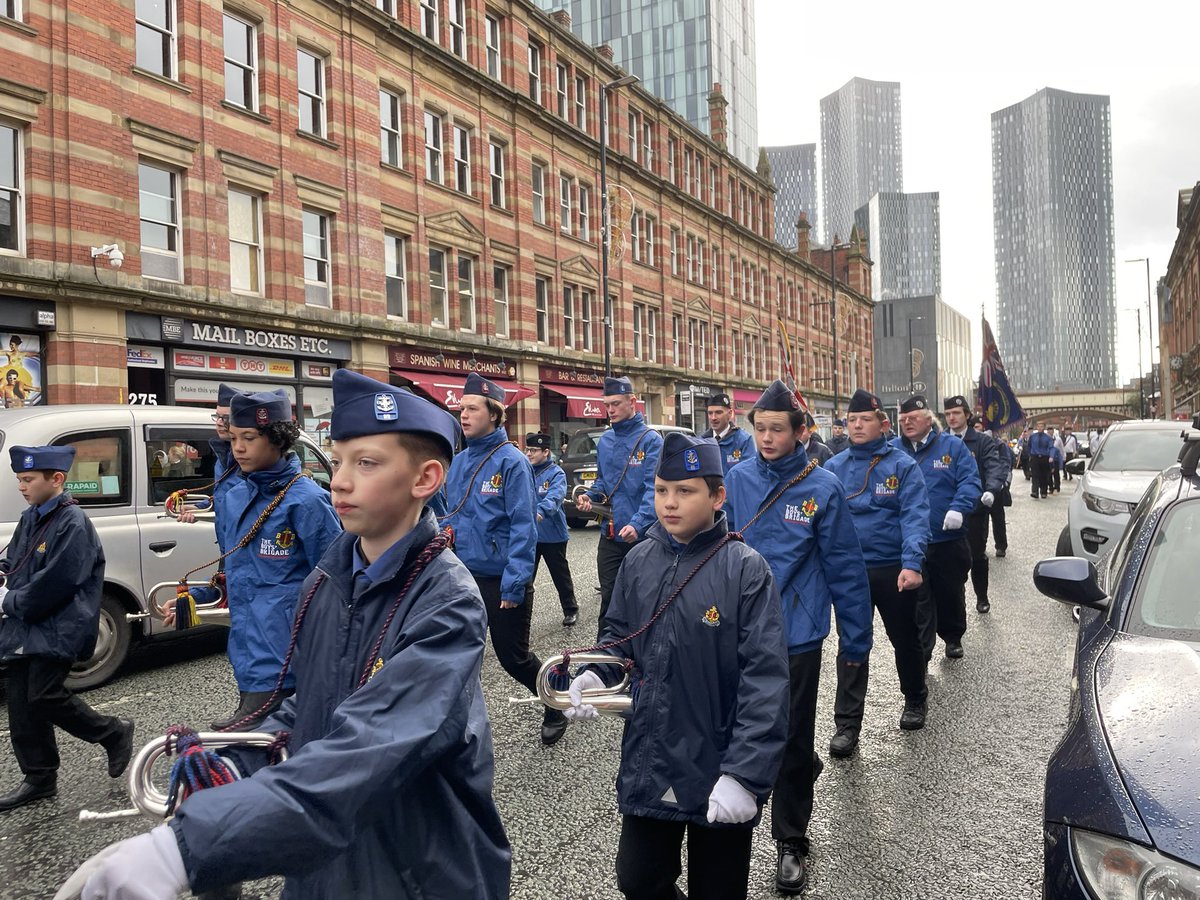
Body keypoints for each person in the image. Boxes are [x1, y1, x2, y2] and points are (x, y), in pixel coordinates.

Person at [62, 369, 511, 899]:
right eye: (338, 459)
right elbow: (310, 702)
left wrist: (185, 848)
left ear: (425, 480)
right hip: (325, 864)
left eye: (366, 463)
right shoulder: (328, 577)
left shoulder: (446, 600)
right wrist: (235, 755)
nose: (339, 480)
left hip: (417, 865)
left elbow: (371, 745)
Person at [567, 432, 789, 900]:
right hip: (652, 756)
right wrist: (595, 673)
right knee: (639, 879)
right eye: (661, 490)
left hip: (719, 764)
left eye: (685, 491)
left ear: (717, 496)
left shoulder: (746, 570)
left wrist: (745, 776)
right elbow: (618, 637)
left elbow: (764, 681)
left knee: (719, 891)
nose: (670, 503)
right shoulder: (639, 560)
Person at [724, 380, 872, 895]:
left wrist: (857, 642)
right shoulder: (735, 478)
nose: (766, 437)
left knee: (789, 738)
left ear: (800, 431)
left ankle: (791, 841)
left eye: (776, 429)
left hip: (798, 633)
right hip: (738, 629)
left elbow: (846, 570)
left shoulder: (823, 487)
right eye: (759, 428)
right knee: (734, 729)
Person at [172, 390, 342, 728]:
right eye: (234, 437)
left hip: (289, 656)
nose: (238, 447)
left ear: (277, 439)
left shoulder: (307, 501)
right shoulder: (234, 496)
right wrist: (197, 596)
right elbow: (237, 569)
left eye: (249, 437)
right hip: (248, 650)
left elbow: (336, 583)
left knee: (267, 746)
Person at [0, 445, 135, 811]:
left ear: (56, 479)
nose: (22, 486)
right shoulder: (32, 517)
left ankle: (112, 731)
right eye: (19, 480)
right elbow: (14, 561)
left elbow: (57, 582)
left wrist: (7, 601)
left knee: (44, 695)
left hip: (57, 626)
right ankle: (39, 777)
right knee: (21, 705)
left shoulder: (73, 522)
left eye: (28, 480)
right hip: (26, 627)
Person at [441, 373, 568, 745]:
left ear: (494, 414)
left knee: (513, 659)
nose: (462, 415)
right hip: (463, 577)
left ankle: (555, 697)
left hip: (502, 580)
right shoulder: (460, 461)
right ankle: (456, 728)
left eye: (471, 409)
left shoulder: (512, 462)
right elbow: (452, 515)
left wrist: (514, 583)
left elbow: (523, 527)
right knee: (460, 656)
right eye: (461, 408)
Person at [825, 390, 931, 749]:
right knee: (851, 643)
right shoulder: (833, 469)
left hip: (892, 569)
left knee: (904, 638)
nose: (856, 425)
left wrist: (912, 563)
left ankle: (916, 698)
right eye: (851, 420)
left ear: (882, 424)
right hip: (850, 572)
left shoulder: (902, 466)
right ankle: (847, 725)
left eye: (864, 419)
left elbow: (915, 516)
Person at [894, 396, 981, 660]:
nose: (907, 423)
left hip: (947, 538)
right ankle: (924, 651)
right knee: (919, 598)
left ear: (928, 419)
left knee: (949, 592)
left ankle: (953, 635)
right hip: (912, 541)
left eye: (913, 418)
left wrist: (959, 507)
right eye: (903, 420)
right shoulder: (894, 450)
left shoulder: (951, 447)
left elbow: (970, 479)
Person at [575, 376, 663, 635]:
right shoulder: (605, 441)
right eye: (607, 405)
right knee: (609, 599)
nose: (610, 410)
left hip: (643, 537)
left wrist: (638, 524)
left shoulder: (651, 440)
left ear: (632, 402)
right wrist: (590, 498)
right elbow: (603, 483)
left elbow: (654, 490)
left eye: (615, 404)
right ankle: (605, 657)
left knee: (644, 601)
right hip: (611, 535)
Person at [942, 395, 1007, 615]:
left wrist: (990, 489)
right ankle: (955, 603)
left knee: (977, 555)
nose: (952, 418)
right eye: (948, 414)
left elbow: (993, 466)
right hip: (946, 511)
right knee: (950, 561)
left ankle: (981, 596)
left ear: (967, 415)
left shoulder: (981, 441)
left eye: (956, 413)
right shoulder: (940, 441)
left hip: (974, 511)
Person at [525, 431, 579, 626]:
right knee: (525, 577)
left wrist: (540, 512)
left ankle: (570, 609)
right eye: (527, 449)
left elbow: (555, 497)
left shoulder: (556, 473)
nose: (529, 453)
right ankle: (521, 615)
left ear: (546, 451)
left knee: (560, 575)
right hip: (529, 535)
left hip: (553, 535)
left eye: (533, 450)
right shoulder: (524, 470)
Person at [974, 418, 1012, 558]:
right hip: (979, 487)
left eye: (978, 426)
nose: (976, 429)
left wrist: (1000, 482)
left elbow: (1004, 463)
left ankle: (1001, 546)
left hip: (995, 488)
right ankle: (981, 545)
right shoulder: (974, 444)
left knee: (998, 519)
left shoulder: (998, 444)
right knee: (981, 520)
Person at [701, 391, 756, 474]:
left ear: (730, 414)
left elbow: (750, 473)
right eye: (710, 413)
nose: (713, 418)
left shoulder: (744, 440)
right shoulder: (702, 442)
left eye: (718, 412)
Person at [1027, 422, 1054, 499]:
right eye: (1038, 426)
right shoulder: (1032, 437)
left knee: (1043, 475)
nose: (1040, 428)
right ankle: (1034, 491)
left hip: (1044, 457)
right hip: (1035, 457)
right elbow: (1029, 446)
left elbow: (1051, 447)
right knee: (1035, 475)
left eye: (1041, 426)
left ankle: (1043, 492)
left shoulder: (1048, 438)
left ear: (1044, 428)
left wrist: (1051, 456)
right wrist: (1030, 455)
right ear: (1036, 427)